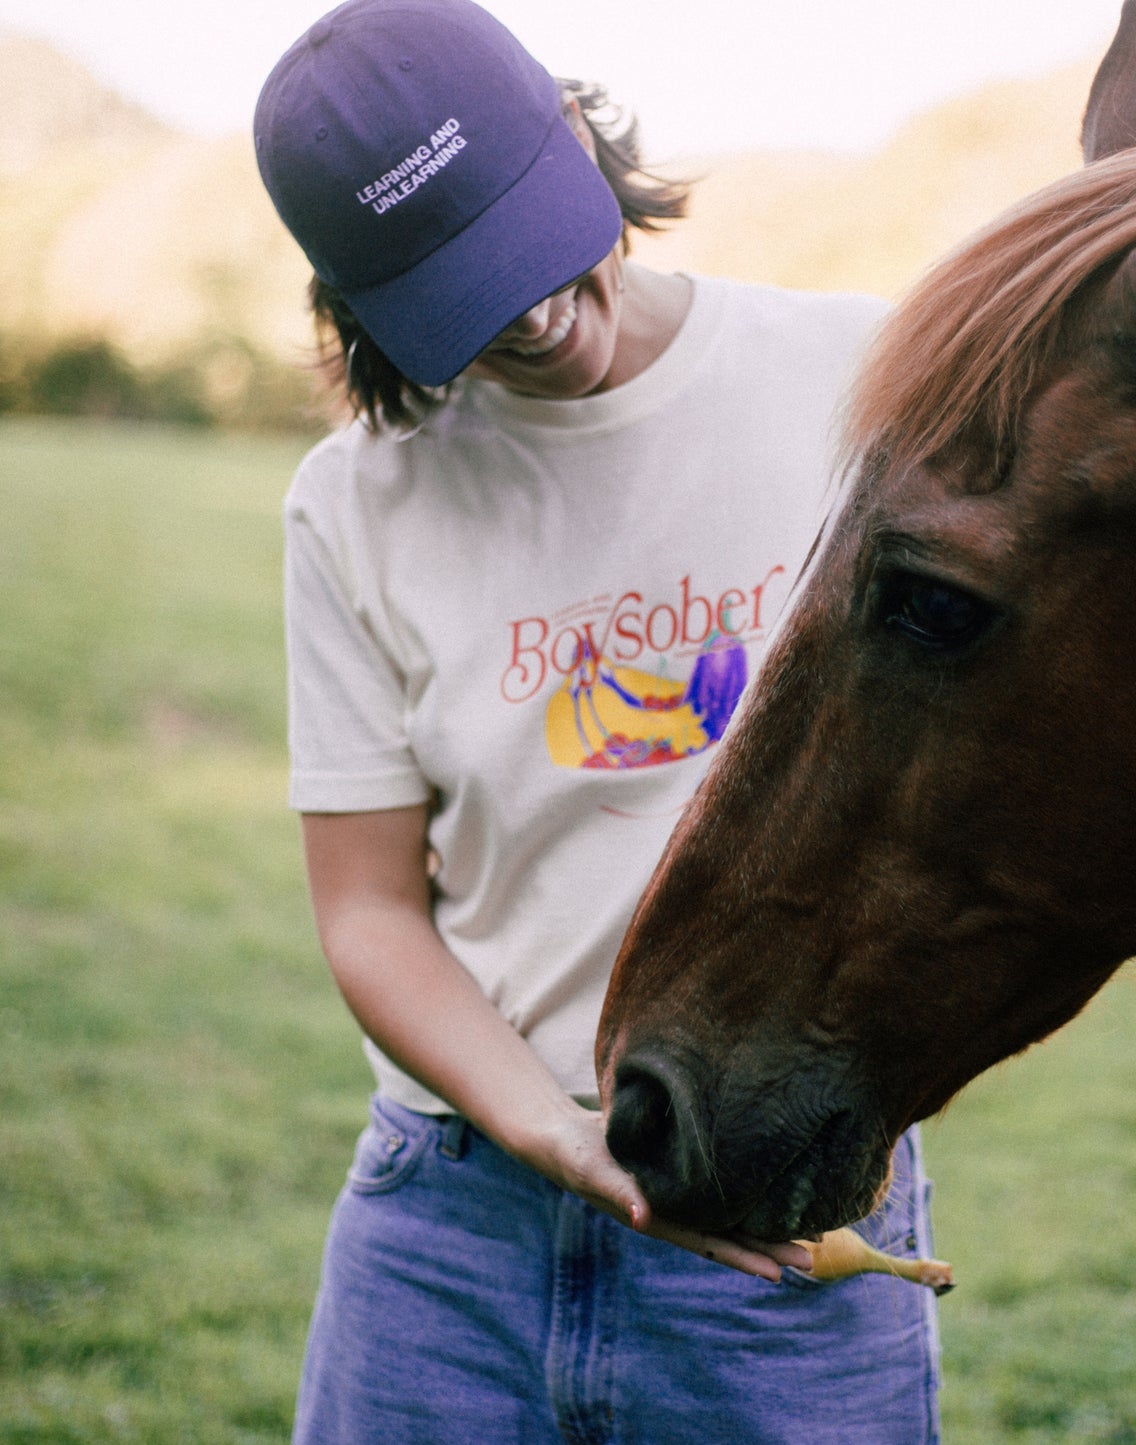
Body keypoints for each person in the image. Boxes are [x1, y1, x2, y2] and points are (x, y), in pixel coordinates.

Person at [254, 1, 942, 1439]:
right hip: (449, 1225)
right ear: (359, 300)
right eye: (454, 291)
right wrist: (554, 1135)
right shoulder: (354, 502)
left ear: (574, 132)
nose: (524, 314)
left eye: (518, 239)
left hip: (773, 1198)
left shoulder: (860, 379)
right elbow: (371, 911)